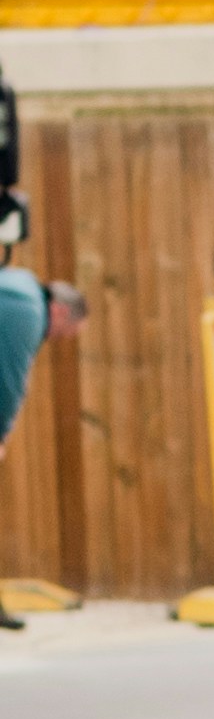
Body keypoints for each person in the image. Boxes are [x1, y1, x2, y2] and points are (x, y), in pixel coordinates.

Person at [0, 68, 79, 580]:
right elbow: (9, 378)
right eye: (67, 332)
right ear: (60, 312)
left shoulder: (19, 285)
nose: (61, 340)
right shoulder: (26, 310)